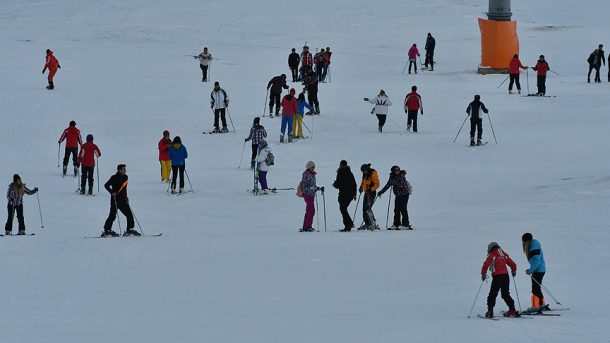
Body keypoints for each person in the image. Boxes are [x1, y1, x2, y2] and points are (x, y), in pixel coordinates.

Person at [481, 242, 519, 318]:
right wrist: (513, 271)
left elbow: (486, 264)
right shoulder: (504, 254)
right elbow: (513, 264)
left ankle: (490, 311)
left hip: (497, 277)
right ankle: (512, 310)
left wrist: (483, 274)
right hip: (506, 276)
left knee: (492, 294)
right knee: (505, 294)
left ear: (490, 249)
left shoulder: (492, 255)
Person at [102, 164, 140, 237]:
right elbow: (106, 185)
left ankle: (130, 230)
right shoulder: (114, 177)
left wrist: (126, 197)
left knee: (129, 214)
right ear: (119, 170)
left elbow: (124, 189)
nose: (125, 170)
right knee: (112, 216)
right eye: (124, 169)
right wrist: (111, 192)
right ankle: (107, 230)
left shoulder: (126, 177)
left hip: (123, 200)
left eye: (125, 169)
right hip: (115, 200)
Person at [377, 165, 412, 230]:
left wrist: (393, 180)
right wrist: (381, 192)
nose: (397, 171)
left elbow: (400, 184)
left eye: (398, 170)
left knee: (403, 209)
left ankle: (406, 224)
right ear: (393, 171)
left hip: (404, 195)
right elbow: (388, 185)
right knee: (396, 210)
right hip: (398, 196)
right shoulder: (393, 177)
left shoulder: (402, 176)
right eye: (395, 170)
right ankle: (396, 224)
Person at [522, 233, 547, 312]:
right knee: (537, 288)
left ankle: (535, 306)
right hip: (539, 269)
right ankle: (541, 304)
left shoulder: (534, 246)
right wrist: (531, 269)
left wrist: (531, 270)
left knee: (535, 289)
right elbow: (536, 261)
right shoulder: (534, 245)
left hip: (538, 270)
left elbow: (537, 260)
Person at [332, 160, 357, 232]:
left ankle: (348, 225)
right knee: (344, 209)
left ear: (340, 165)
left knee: (343, 209)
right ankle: (349, 224)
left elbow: (338, 184)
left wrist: (334, 184)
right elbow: (354, 184)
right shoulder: (350, 173)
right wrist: (354, 194)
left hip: (343, 194)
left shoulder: (340, 173)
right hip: (350, 195)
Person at [300, 161, 323, 232]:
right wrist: (314, 188)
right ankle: (307, 227)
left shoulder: (312, 174)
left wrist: (318, 188)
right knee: (311, 210)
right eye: (312, 167)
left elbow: (312, 185)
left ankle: (307, 226)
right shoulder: (306, 174)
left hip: (311, 194)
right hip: (307, 194)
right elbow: (305, 186)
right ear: (308, 167)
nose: (313, 168)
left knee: (309, 210)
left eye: (314, 167)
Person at [358, 163, 380, 230]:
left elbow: (377, 184)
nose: (363, 172)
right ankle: (367, 223)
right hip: (366, 192)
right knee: (364, 209)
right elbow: (363, 182)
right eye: (362, 171)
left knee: (368, 208)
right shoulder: (365, 174)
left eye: (364, 171)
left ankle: (372, 223)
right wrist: (361, 187)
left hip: (371, 193)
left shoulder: (373, 174)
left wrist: (371, 189)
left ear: (367, 169)